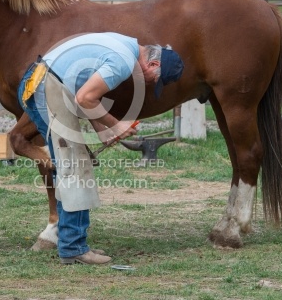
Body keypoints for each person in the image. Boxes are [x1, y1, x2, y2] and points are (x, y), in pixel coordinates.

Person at [17, 32, 184, 265]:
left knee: (74, 165)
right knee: (74, 168)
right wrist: (117, 126)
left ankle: (71, 240)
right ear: (153, 63)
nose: (149, 83)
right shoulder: (122, 61)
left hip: (47, 83)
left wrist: (101, 129)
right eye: (154, 78)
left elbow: (81, 89)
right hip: (48, 88)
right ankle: (73, 247)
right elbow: (85, 98)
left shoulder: (124, 46)